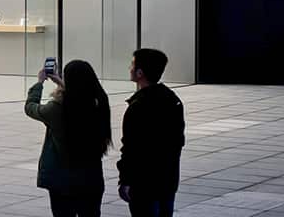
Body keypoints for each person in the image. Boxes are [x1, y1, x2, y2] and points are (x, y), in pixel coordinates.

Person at [26, 58, 112, 217]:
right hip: (91, 177)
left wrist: (39, 83)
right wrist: (60, 83)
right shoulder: (99, 102)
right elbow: (79, 98)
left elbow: (31, 108)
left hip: (63, 180)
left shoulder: (57, 108)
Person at [116, 48, 185, 216]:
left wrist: (125, 180)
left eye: (132, 65)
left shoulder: (138, 107)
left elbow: (131, 148)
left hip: (144, 183)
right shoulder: (173, 100)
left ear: (140, 73)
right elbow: (177, 142)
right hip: (167, 179)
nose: (129, 68)